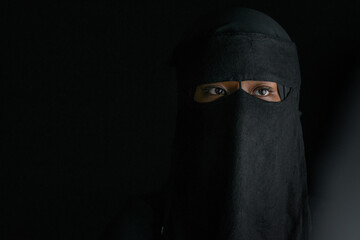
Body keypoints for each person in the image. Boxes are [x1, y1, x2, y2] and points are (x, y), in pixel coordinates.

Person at [105, 7, 311, 240]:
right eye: (216, 90)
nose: (239, 117)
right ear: (186, 103)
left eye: (262, 91)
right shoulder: (137, 230)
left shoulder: (336, 223)